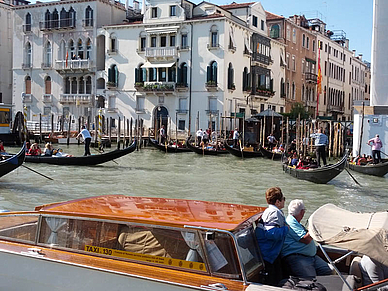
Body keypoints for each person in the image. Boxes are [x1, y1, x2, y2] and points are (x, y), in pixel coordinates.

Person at [281, 199, 332, 279]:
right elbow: (306, 239)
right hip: (298, 257)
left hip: (310, 257)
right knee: (310, 278)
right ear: (302, 212)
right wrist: (312, 228)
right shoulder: (291, 222)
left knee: (328, 270)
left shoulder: (296, 223)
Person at [256, 187, 289, 286]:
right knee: (273, 280)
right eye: (283, 199)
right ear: (278, 202)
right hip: (269, 253)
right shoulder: (274, 213)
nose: (284, 201)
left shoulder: (269, 211)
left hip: (268, 252)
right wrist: (286, 229)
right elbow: (271, 233)